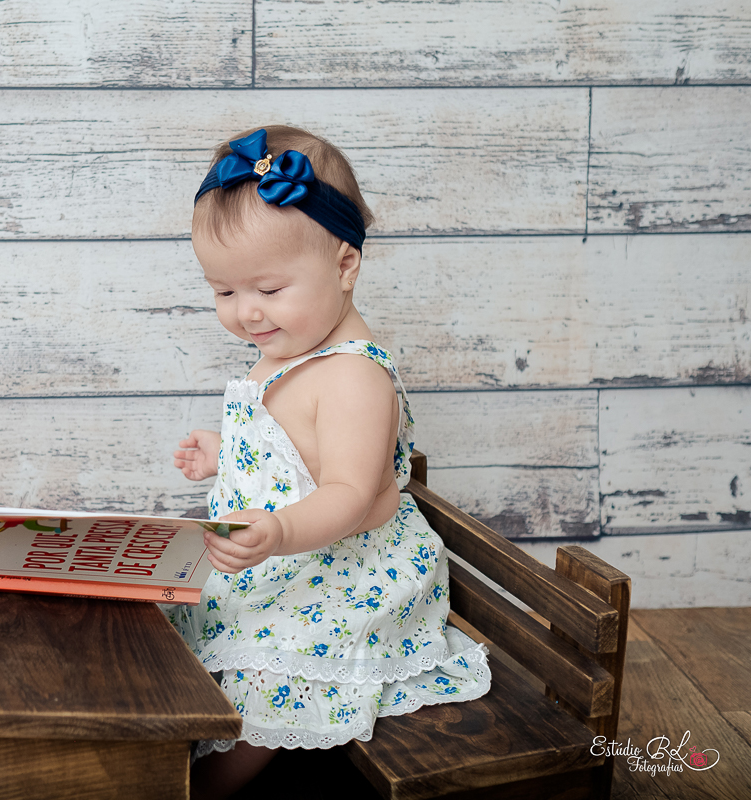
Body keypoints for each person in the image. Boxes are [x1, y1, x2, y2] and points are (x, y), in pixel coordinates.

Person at [165, 126, 492, 799]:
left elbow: (349, 493)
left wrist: (280, 532)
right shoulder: (295, 347)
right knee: (178, 629)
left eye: (267, 289)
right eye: (224, 292)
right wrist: (228, 453)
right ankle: (161, 748)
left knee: (272, 687)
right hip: (282, 561)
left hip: (345, 576)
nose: (246, 312)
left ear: (345, 266)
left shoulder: (352, 379)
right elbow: (297, 453)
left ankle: (204, 788)